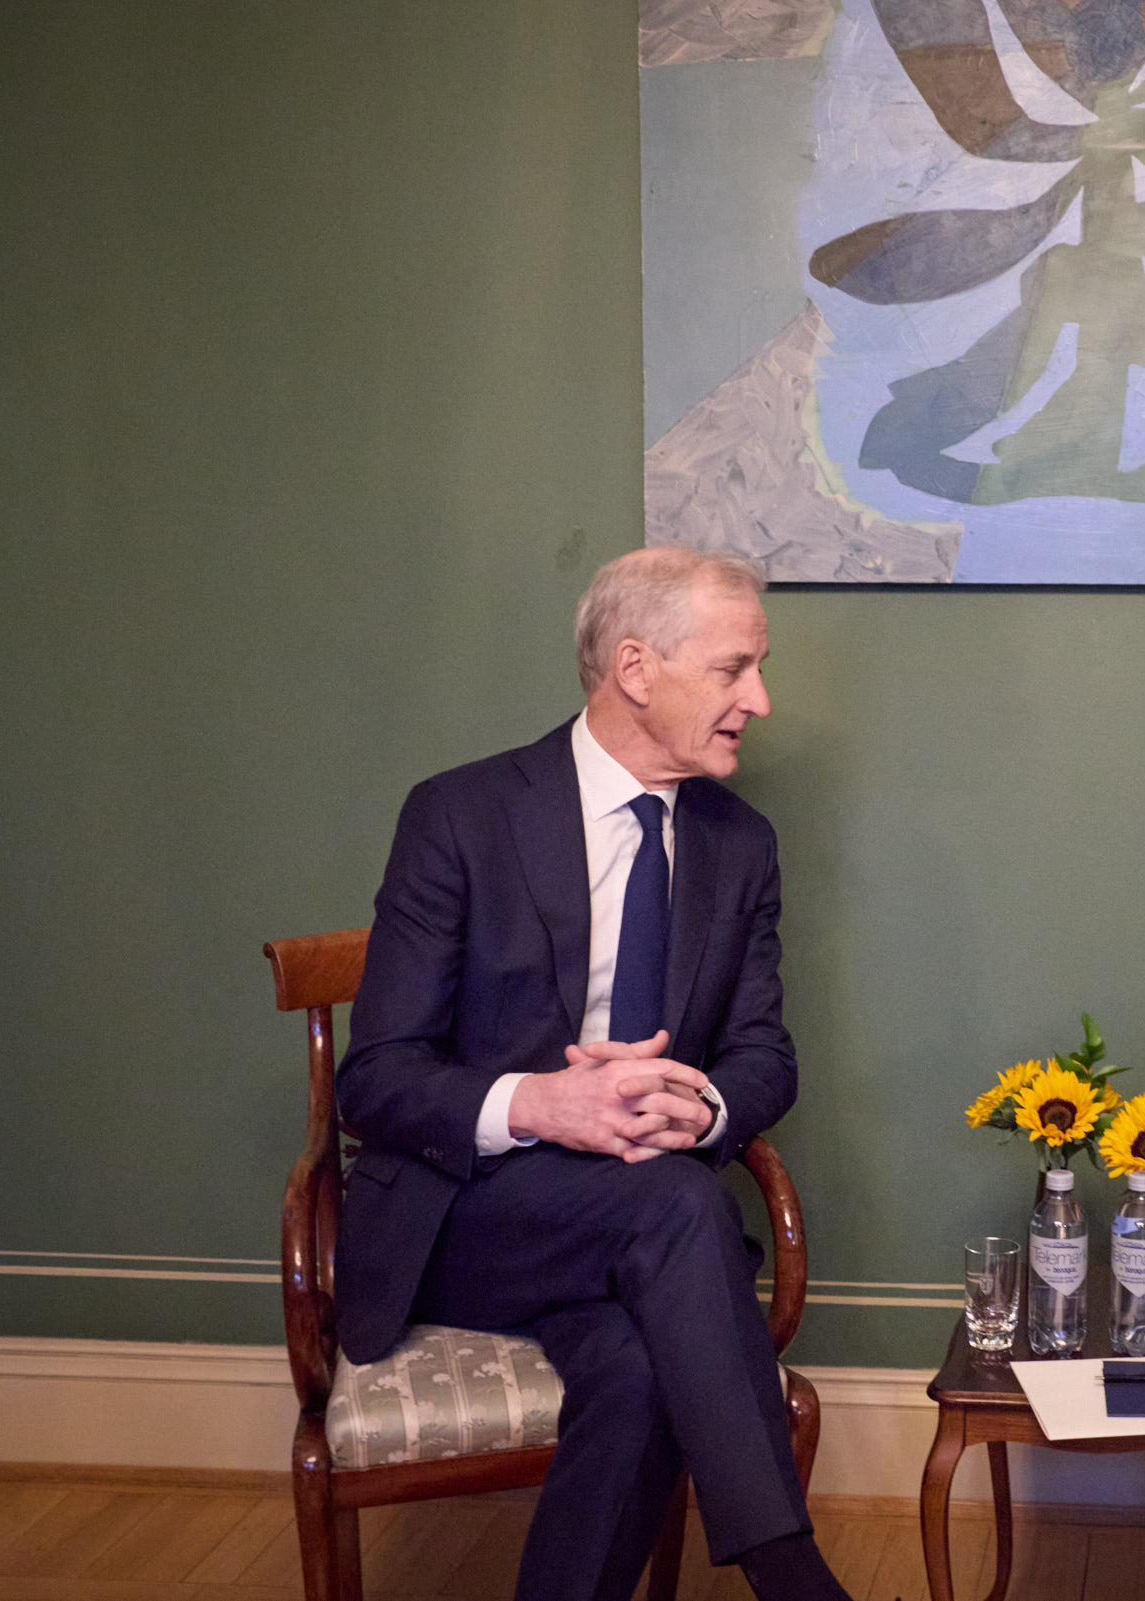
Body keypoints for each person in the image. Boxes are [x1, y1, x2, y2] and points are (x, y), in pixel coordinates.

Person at [336, 546, 855, 1601]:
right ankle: (791, 1573)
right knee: (679, 1206)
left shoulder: (740, 845)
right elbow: (376, 1077)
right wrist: (541, 1101)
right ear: (635, 667)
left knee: (638, 1367)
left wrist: (698, 1104)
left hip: (635, 1233)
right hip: (465, 1218)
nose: (759, 699)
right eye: (734, 668)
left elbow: (764, 1053)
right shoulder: (462, 814)